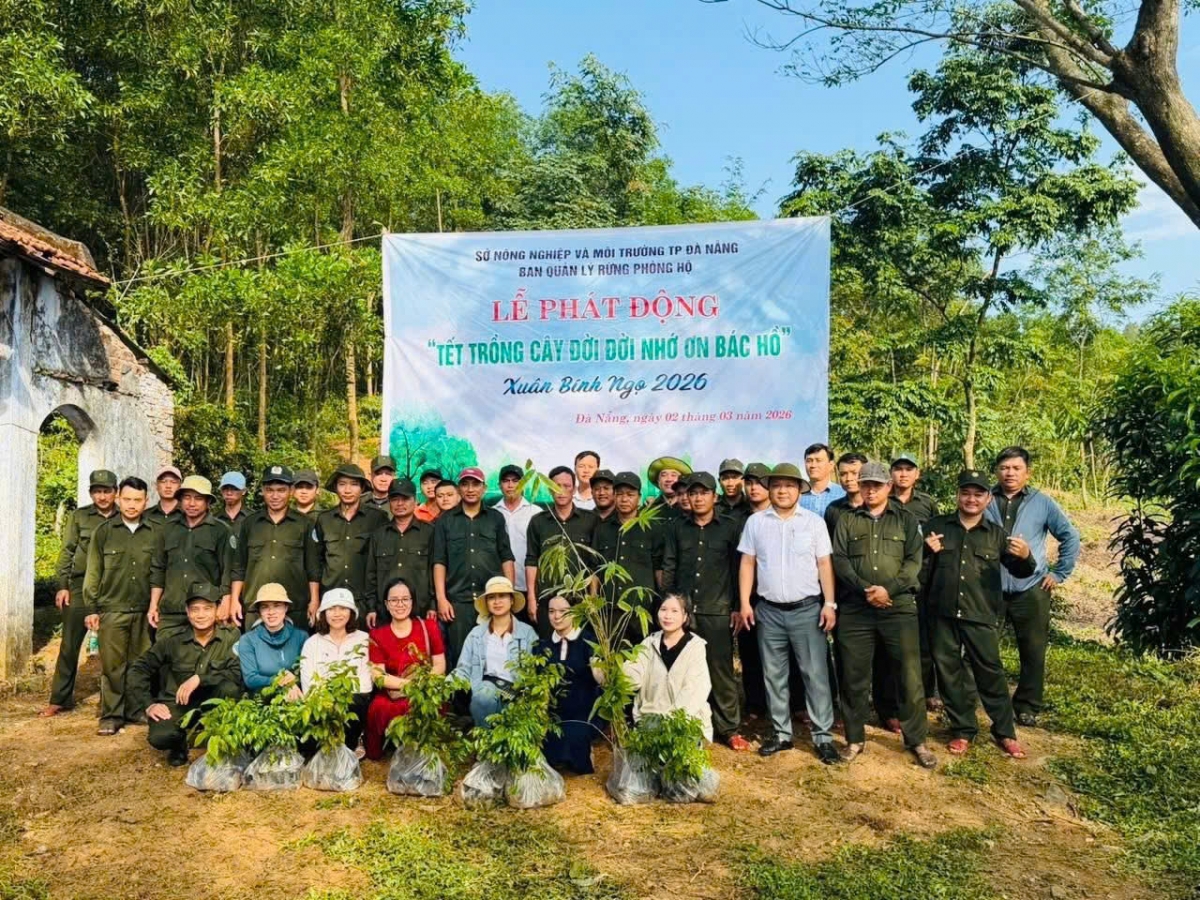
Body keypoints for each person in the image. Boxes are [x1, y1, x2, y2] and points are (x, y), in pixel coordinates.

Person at [831, 462, 936, 768]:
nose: (871, 490)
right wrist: (866, 589)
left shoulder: (906, 520)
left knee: (908, 675)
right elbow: (840, 560)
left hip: (897, 607)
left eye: (877, 484)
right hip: (856, 608)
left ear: (889, 487)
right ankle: (854, 739)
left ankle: (916, 740)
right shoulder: (847, 520)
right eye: (866, 484)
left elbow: (913, 562)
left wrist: (888, 589)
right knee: (853, 676)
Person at [924, 470, 1034, 759]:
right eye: (965, 493)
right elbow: (918, 568)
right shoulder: (937, 527)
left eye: (978, 494)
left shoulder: (997, 535)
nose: (971, 499)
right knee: (948, 673)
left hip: (980, 614)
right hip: (942, 614)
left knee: (990, 672)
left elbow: (1021, 571)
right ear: (957, 495)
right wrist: (926, 551)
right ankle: (963, 729)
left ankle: (1005, 731)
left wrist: (1026, 556)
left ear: (988, 499)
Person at [738, 463, 841, 764]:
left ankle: (823, 737)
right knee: (774, 675)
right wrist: (745, 603)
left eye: (789, 485)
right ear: (769, 489)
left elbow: (824, 564)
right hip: (768, 611)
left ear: (799, 490)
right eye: (777, 485)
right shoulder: (756, 522)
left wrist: (830, 603)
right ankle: (782, 734)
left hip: (807, 610)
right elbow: (747, 563)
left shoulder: (813, 523)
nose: (782, 491)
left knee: (815, 675)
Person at [985, 446, 1080, 727]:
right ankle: (978, 699)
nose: (1010, 473)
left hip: (1031, 587)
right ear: (997, 471)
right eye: (1004, 468)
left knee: (1033, 650)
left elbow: (1070, 536)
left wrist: (1059, 573)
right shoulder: (985, 498)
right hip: (990, 587)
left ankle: (1027, 705)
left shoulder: (1042, 502)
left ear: (1027, 473)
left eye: (1016, 468)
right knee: (982, 647)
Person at [663, 472, 749, 751]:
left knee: (720, 670)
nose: (698, 498)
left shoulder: (730, 527)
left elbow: (738, 569)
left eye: (704, 493)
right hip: (685, 613)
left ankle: (730, 729)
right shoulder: (677, 527)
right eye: (693, 493)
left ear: (715, 496)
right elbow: (670, 566)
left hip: (717, 610)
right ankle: (684, 724)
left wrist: (736, 606)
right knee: (681, 670)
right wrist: (672, 607)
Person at [128, 583, 243, 766]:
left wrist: (200, 679)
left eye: (207, 608)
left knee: (230, 688)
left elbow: (237, 672)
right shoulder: (173, 641)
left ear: (217, 609)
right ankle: (179, 743)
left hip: (213, 703)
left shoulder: (231, 637)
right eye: (195, 609)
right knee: (161, 737)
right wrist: (148, 704)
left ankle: (218, 738)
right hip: (179, 705)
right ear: (187, 612)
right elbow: (138, 669)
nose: (201, 615)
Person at [84, 476, 159, 735]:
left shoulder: (155, 532)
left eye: (137, 500)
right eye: (126, 499)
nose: (131, 505)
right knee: (112, 665)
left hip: (144, 610)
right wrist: (92, 609)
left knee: (140, 664)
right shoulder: (104, 532)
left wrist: (156, 605)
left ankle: (136, 709)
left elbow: (159, 572)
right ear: (118, 499)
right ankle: (112, 715)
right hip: (112, 608)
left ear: (146, 501)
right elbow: (93, 572)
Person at [41, 468, 118, 718]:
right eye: (97, 491)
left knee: (114, 647)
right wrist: (62, 585)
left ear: (115, 492)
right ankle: (59, 699)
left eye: (106, 491)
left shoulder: (124, 517)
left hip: (112, 588)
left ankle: (112, 702)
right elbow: (67, 551)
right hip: (80, 586)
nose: (102, 496)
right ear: (91, 493)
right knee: (69, 644)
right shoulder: (79, 516)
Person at [432, 468, 516, 666]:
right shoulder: (445, 520)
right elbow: (439, 561)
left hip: (491, 600)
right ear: (459, 488)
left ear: (484, 488)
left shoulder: (495, 518)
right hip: (457, 603)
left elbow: (506, 557)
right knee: (460, 658)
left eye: (475, 484)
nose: (470, 489)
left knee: (493, 658)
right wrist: (441, 599)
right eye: (465, 484)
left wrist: (508, 595)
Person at [365, 577, 447, 760]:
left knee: (425, 706)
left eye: (405, 599)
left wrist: (421, 684)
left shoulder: (429, 627)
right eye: (394, 600)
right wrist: (409, 685)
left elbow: (440, 665)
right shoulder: (377, 635)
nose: (400, 604)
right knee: (379, 707)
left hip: (424, 689)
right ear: (386, 604)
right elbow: (378, 675)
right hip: (393, 691)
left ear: (412, 601)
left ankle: (421, 749)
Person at [149, 475, 235, 645]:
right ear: (180, 500)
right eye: (187, 497)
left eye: (198, 498)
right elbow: (158, 569)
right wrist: (153, 604)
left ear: (208, 502)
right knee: (167, 656)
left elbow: (228, 570)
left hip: (205, 611)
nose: (192, 503)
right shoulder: (168, 529)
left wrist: (225, 602)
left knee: (206, 657)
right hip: (172, 611)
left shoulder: (221, 531)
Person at [228, 466, 315, 631]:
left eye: (281, 490)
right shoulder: (249, 523)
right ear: (262, 491)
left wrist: (314, 600)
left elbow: (313, 567)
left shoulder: (305, 524)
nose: (275, 496)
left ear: (291, 491)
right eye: (270, 490)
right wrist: (234, 601)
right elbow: (239, 566)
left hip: (295, 607)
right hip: (255, 607)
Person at [620, 594, 713, 741]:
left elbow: (695, 690)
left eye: (675, 611)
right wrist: (615, 670)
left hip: (685, 721)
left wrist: (673, 722)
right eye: (663, 609)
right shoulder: (649, 643)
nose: (667, 616)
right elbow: (633, 678)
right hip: (650, 718)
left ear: (685, 616)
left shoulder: (695, 646)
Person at [889, 453, 942, 713]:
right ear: (891, 474)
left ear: (917, 474)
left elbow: (936, 538)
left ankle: (927, 691)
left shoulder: (927, 504)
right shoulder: (882, 500)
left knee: (922, 638)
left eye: (908, 469)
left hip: (920, 579)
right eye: (898, 469)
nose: (903, 474)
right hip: (889, 579)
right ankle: (892, 694)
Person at [452, 576, 538, 726]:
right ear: (486, 602)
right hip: (486, 693)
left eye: (502, 596)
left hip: (516, 695)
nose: (497, 602)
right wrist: (444, 685)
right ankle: (485, 737)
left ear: (511, 600)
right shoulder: (476, 634)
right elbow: (463, 669)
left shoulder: (527, 633)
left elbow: (535, 670)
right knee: (484, 695)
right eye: (492, 597)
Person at [307, 463, 387, 623]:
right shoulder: (324, 519)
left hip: (364, 601)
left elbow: (383, 563)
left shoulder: (377, 518)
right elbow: (316, 563)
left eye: (354, 484)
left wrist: (376, 603)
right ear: (336, 488)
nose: (347, 490)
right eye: (342, 484)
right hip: (330, 599)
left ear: (362, 488)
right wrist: (315, 599)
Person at [524, 465, 598, 640]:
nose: (562, 491)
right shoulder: (538, 521)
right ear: (550, 489)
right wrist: (531, 599)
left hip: (580, 602)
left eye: (567, 486)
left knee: (580, 650)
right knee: (549, 650)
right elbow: (531, 560)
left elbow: (595, 564)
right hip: (547, 601)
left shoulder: (590, 520)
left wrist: (593, 599)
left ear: (574, 488)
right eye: (556, 486)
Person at [593, 471, 664, 640]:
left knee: (643, 654)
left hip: (642, 610)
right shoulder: (602, 529)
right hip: (609, 609)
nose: (624, 499)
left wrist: (662, 603)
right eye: (619, 494)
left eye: (630, 495)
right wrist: (593, 602)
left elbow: (659, 569)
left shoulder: (654, 529)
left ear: (639, 497)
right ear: (614, 496)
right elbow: (594, 569)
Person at [300, 588, 372, 753]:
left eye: (343, 608)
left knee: (356, 702)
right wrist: (328, 700)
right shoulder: (312, 643)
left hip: (353, 703)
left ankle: (354, 742)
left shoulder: (364, 639)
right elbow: (308, 684)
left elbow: (365, 683)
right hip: (321, 704)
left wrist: (340, 698)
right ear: (324, 613)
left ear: (351, 612)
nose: (337, 614)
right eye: (331, 609)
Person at [538, 595, 600, 774]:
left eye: (563, 611)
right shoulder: (543, 645)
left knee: (575, 739)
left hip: (583, 711)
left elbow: (602, 681)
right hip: (553, 714)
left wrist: (601, 668)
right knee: (550, 747)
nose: (557, 616)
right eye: (551, 611)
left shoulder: (589, 641)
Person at [365, 478, 435, 628]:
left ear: (415, 501)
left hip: (421, 611)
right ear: (389, 502)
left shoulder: (429, 532)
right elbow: (371, 574)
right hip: (385, 614)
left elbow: (434, 571)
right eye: (395, 499)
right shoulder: (378, 535)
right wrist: (371, 608)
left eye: (405, 499)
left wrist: (433, 605)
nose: (400, 504)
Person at [735, 462, 773, 717]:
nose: (753, 487)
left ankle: (794, 704)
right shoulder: (737, 518)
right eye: (749, 483)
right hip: (747, 596)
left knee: (780, 653)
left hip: (775, 595)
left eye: (759, 482)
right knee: (750, 652)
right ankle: (756, 703)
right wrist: (739, 601)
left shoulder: (781, 515)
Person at [236, 583, 306, 695]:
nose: (271, 612)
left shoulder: (301, 637)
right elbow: (250, 679)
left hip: (296, 696)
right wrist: (280, 681)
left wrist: (295, 680)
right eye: (265, 607)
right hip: (263, 698)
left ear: (286, 608)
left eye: (277, 605)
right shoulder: (248, 640)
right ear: (259, 611)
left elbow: (308, 671)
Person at [492, 464, 539, 597]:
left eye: (515, 481)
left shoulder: (535, 513)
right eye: (506, 481)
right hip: (498, 586)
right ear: (499, 485)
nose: (510, 485)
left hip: (530, 586)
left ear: (523, 484)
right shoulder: (491, 514)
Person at [824, 453, 868, 534]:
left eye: (854, 473)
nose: (848, 479)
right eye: (843, 474)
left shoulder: (879, 507)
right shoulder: (833, 509)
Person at [800, 444, 846, 517]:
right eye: (809, 461)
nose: (813, 465)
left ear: (831, 465)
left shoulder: (843, 494)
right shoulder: (797, 495)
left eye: (818, 460)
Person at [647, 456, 691, 520]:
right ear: (658, 481)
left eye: (673, 475)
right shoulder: (649, 507)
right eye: (664, 475)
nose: (669, 479)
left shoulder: (692, 506)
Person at [216, 471, 250, 542]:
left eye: (234, 488)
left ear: (243, 491)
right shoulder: (214, 519)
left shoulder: (253, 518)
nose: (229, 493)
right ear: (221, 491)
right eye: (225, 488)